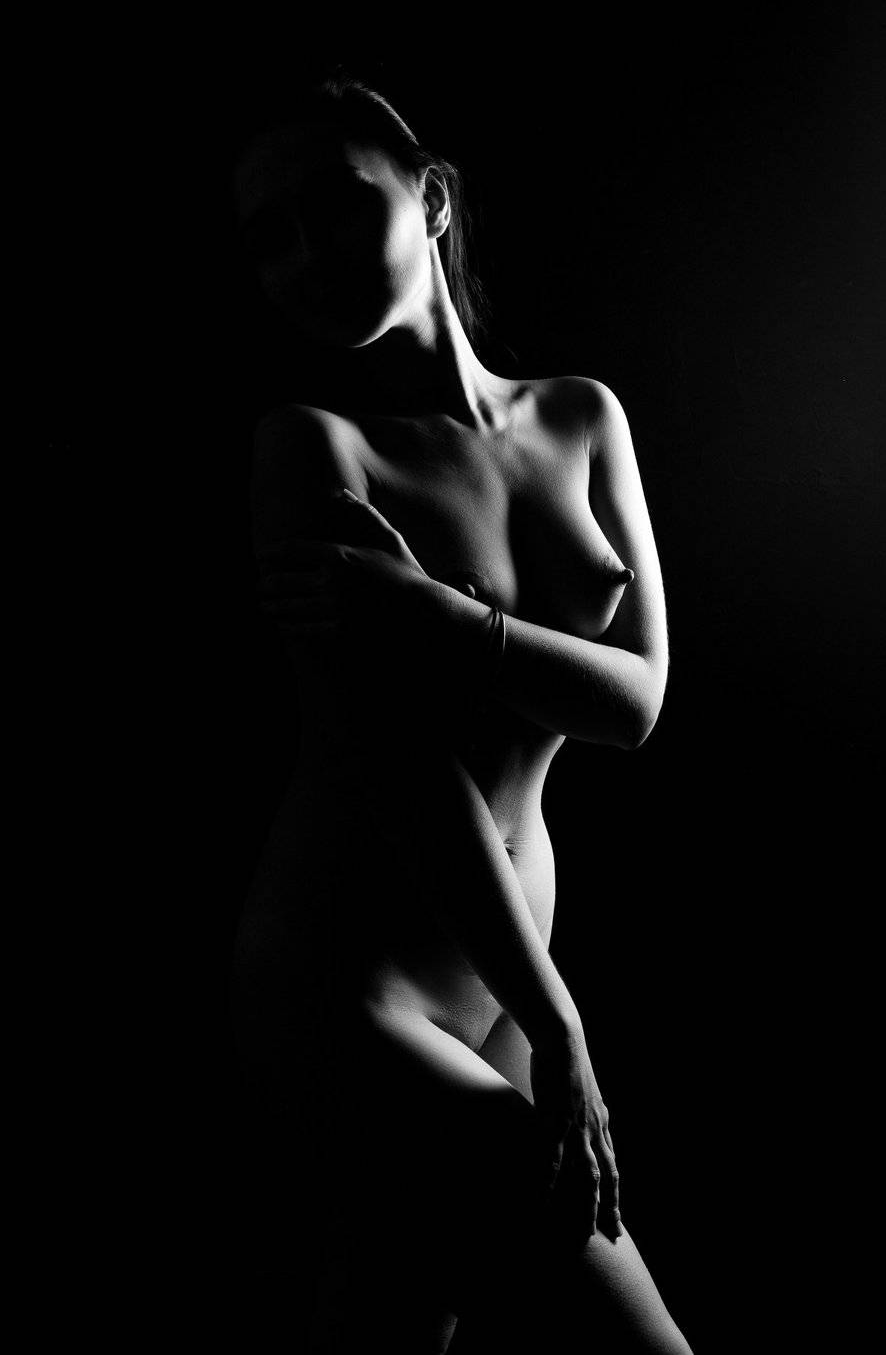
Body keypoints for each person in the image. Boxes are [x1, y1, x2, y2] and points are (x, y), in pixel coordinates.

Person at [230, 69, 691, 1353]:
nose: (304, 256)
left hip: (505, 985)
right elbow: (400, 769)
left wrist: (439, 617)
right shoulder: (316, 452)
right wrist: (559, 1020)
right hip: (353, 989)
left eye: (334, 205)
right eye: (270, 236)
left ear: (431, 197)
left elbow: (639, 703)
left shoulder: (583, 417)